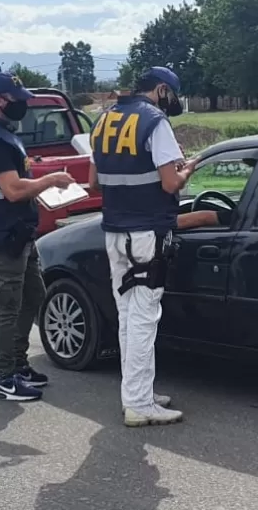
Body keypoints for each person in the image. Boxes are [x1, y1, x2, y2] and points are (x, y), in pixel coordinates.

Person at [87, 66, 220, 427]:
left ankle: (136, 393)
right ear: (162, 90)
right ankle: (140, 404)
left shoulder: (103, 121)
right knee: (145, 317)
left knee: (128, 317)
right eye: (173, 95)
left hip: (114, 231)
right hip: (147, 234)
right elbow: (169, 185)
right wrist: (187, 170)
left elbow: (93, 183)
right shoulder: (154, 121)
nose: (173, 102)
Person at [0, 72, 77, 403]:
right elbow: (13, 190)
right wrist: (50, 181)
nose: (24, 105)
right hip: (3, 235)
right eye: (19, 100)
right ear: (0, 100)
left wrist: (38, 185)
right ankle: (4, 379)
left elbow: (12, 183)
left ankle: (17, 364)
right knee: (7, 306)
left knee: (33, 295)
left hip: (13, 230)